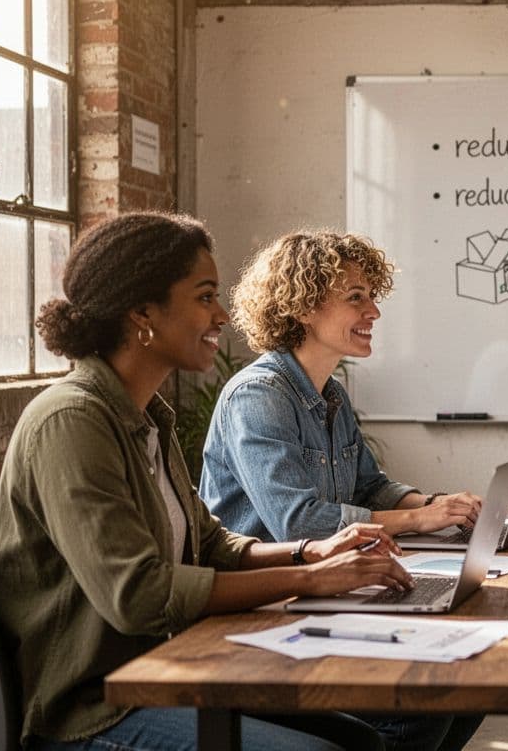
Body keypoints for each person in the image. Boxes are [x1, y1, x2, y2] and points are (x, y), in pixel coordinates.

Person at [0, 212, 415, 751]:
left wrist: (311, 551)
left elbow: (210, 543)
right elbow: (140, 596)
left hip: (172, 669)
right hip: (95, 708)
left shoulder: (146, 415)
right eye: (205, 296)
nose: (221, 314)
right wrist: (313, 579)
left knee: (364, 743)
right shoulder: (72, 421)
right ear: (143, 312)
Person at [199, 229, 483, 751]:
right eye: (356, 297)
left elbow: (370, 486)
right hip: (264, 612)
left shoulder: (329, 393)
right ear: (303, 306)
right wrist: (419, 521)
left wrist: (436, 506)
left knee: (470, 682)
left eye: (372, 296)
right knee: (425, 702)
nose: (373, 311)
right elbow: (300, 521)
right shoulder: (256, 397)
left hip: (328, 595)